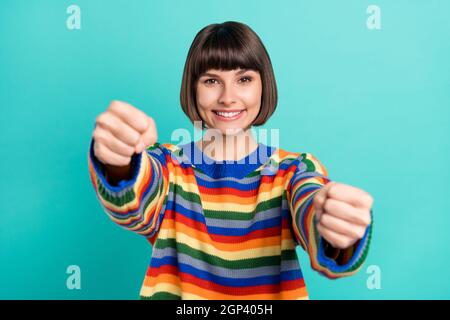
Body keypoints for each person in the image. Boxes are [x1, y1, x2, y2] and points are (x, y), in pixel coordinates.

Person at [88, 21, 374, 300]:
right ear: (193, 88)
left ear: (264, 86)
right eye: (212, 80)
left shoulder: (294, 171)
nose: (228, 97)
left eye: (244, 79)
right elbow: (132, 200)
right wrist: (119, 160)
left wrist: (335, 227)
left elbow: (311, 205)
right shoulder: (167, 167)